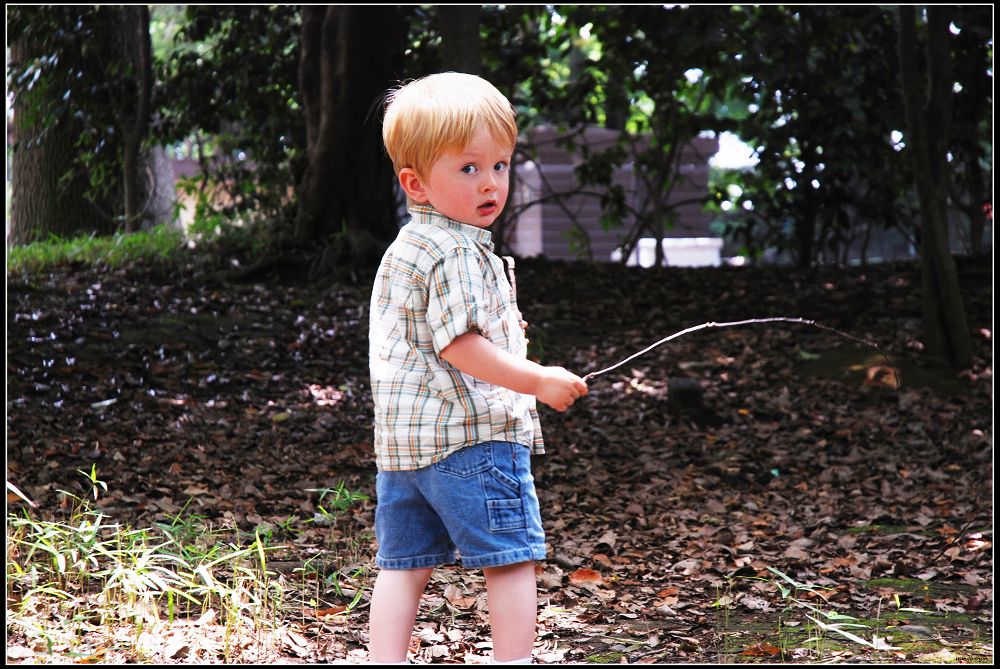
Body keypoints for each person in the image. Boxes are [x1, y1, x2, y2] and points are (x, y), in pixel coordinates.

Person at [367, 72, 588, 665]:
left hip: (405, 450)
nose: (491, 183)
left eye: (501, 164)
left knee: (403, 565)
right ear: (416, 182)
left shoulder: (409, 246)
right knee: (511, 556)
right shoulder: (459, 250)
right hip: (472, 438)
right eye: (469, 168)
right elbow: (459, 346)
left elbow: (424, 336)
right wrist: (536, 377)